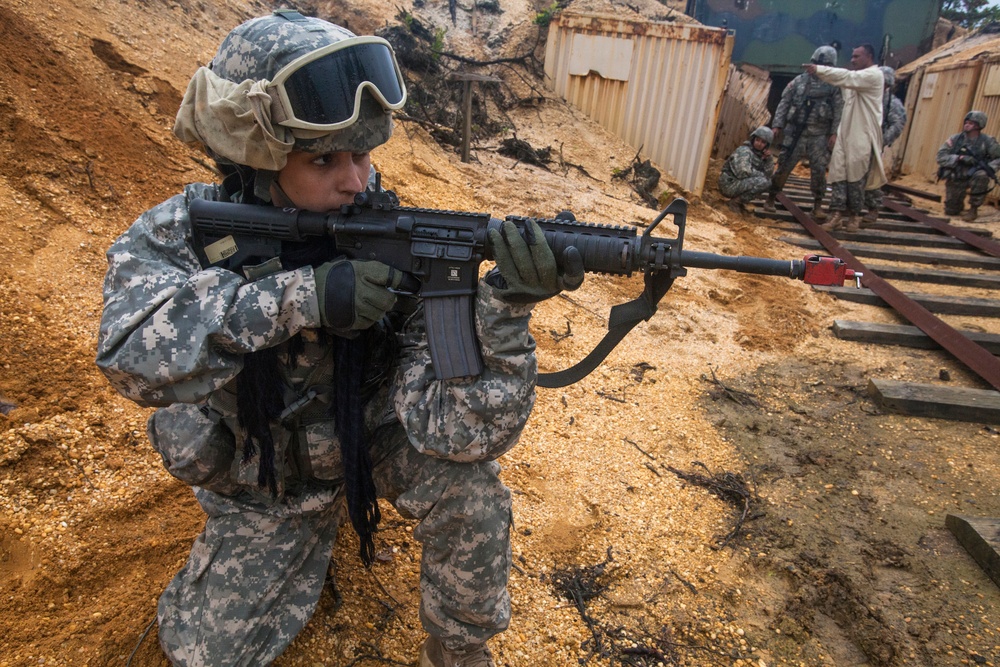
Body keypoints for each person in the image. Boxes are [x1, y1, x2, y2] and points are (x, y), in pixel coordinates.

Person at [95, 10, 583, 667]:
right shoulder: (185, 233)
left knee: (471, 491)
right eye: (324, 158)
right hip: (261, 478)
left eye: (364, 153)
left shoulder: (389, 232)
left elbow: (460, 432)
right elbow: (129, 355)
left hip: (366, 447)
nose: (356, 179)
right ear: (256, 157)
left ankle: (461, 648)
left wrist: (501, 311)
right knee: (201, 654)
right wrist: (300, 298)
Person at [806, 43, 886, 233]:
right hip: (846, 131)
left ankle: (855, 216)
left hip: (862, 133)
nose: (852, 60)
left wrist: (820, 70)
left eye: (857, 56)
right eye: (852, 56)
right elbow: (846, 81)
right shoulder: (857, 78)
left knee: (856, 176)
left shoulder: (873, 75)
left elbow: (847, 77)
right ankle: (836, 214)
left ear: (869, 57)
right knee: (839, 173)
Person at [762, 45, 843, 219]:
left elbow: (838, 110)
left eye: (824, 64)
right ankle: (771, 198)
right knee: (784, 166)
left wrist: (834, 133)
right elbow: (784, 103)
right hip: (796, 131)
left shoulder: (834, 86)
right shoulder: (799, 81)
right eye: (816, 63)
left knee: (819, 170)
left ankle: (817, 205)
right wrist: (777, 125)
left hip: (819, 134)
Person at [861, 66, 907, 226]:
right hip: (858, 142)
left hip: (873, 145)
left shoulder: (891, 103)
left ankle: (873, 208)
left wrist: (881, 141)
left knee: (872, 178)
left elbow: (898, 123)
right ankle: (850, 205)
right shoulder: (866, 96)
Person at [936, 110, 1000, 222]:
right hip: (957, 174)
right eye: (966, 122)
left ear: (979, 125)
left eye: (971, 123)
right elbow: (940, 156)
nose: (967, 124)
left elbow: (998, 157)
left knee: (982, 175)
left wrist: (989, 168)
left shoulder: (987, 141)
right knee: (951, 211)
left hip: (975, 174)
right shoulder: (955, 139)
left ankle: (973, 209)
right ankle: (956, 205)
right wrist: (959, 158)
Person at [718, 126, 775, 214]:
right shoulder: (744, 151)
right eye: (757, 140)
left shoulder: (759, 155)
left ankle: (739, 202)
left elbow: (769, 174)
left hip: (737, 183)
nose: (759, 144)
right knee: (763, 182)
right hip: (729, 184)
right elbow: (743, 172)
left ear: (767, 145)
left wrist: (769, 160)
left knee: (767, 182)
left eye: (763, 142)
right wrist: (761, 175)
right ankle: (735, 202)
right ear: (753, 139)